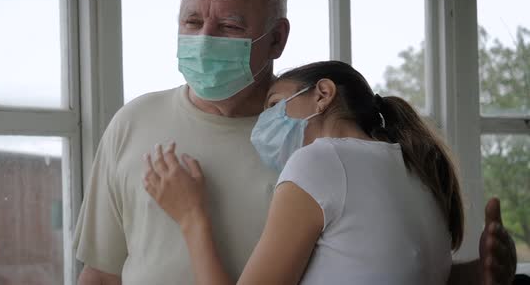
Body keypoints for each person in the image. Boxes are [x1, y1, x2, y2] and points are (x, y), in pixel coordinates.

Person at [74, 0, 517, 285]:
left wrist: (476, 274)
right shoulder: (132, 123)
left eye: (228, 26)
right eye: (192, 21)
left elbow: (375, 264)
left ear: (278, 39)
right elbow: (101, 272)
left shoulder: (309, 151)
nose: (204, 38)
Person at [143, 60, 465, 284]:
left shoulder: (321, 160)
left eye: (274, 105)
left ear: (323, 94)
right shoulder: (415, 171)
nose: (262, 124)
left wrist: (191, 217)